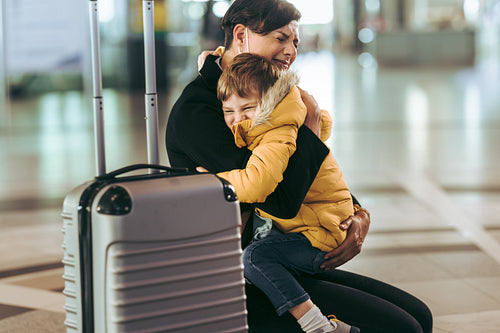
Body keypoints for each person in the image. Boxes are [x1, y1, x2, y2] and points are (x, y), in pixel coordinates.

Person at [165, 0, 433, 332]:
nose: (290, 51)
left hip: (281, 254)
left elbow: (314, 175)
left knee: (420, 316)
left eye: (295, 41)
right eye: (280, 38)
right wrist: (310, 125)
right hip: (241, 276)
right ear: (240, 35)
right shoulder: (203, 110)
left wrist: (356, 212)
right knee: (403, 328)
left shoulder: (265, 93)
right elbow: (279, 199)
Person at [206, 52, 360, 333]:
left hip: (318, 232)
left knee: (255, 258)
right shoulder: (277, 121)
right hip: (317, 222)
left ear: (269, 103)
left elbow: (256, 184)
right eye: (229, 111)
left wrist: (211, 179)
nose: (237, 119)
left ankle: (318, 325)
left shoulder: (277, 131)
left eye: (247, 109)